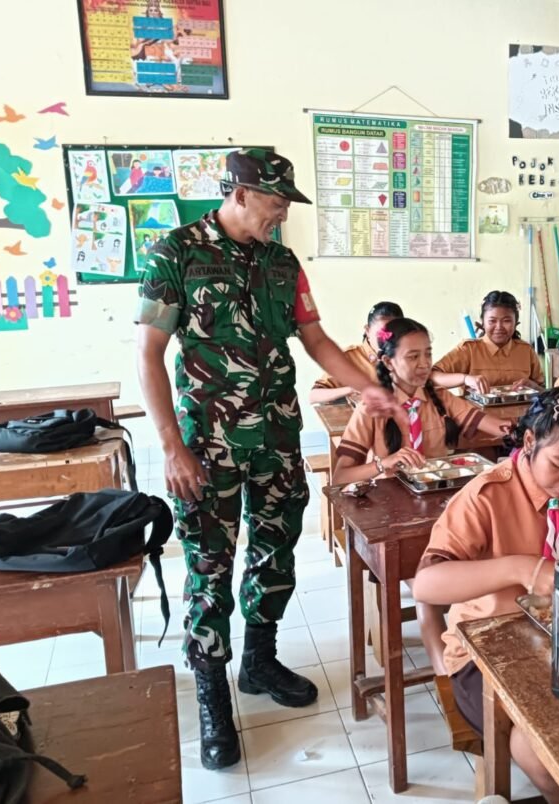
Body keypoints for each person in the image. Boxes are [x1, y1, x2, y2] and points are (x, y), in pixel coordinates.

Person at [135, 148, 403, 771]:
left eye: (285, 206)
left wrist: (365, 386)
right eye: (276, 204)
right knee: (210, 562)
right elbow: (149, 353)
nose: (282, 216)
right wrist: (172, 447)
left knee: (275, 546)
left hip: (278, 438)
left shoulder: (283, 263)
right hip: (208, 445)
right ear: (240, 194)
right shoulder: (176, 254)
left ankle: (258, 660)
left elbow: (314, 339)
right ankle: (211, 692)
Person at [413, 387, 559, 804]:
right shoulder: (485, 497)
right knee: (546, 751)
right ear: (529, 443)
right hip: (488, 658)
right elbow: (426, 584)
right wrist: (518, 568)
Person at [332, 317, 511, 484]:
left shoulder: (439, 397)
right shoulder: (370, 409)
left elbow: (495, 425)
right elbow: (341, 476)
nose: (425, 364)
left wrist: (526, 431)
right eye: (413, 357)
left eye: (428, 354)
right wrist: (384, 463)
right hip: (390, 502)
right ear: (388, 362)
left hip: (436, 493)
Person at [431, 290, 544, 393]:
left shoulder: (526, 350)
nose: (499, 327)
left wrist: (534, 387)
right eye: (492, 321)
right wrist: (465, 379)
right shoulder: (468, 349)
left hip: (522, 414)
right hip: (478, 414)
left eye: (506, 321)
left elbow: (544, 390)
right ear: (483, 322)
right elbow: (432, 377)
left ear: (516, 323)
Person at [309, 301, 404, 404]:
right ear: (367, 330)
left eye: (393, 334)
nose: (386, 340)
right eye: (381, 334)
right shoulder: (348, 357)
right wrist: (350, 390)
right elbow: (314, 396)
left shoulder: (407, 355)